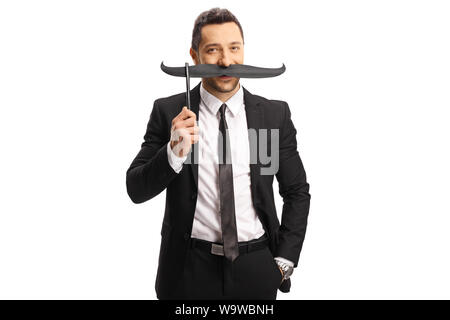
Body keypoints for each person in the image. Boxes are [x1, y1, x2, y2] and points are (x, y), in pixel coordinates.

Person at [126, 7, 311, 300]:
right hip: (187, 271)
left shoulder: (273, 116)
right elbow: (135, 189)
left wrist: (283, 262)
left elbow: (297, 191)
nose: (226, 61)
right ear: (194, 55)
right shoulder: (169, 113)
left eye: (234, 48)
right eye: (213, 50)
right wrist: (173, 152)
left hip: (257, 267)